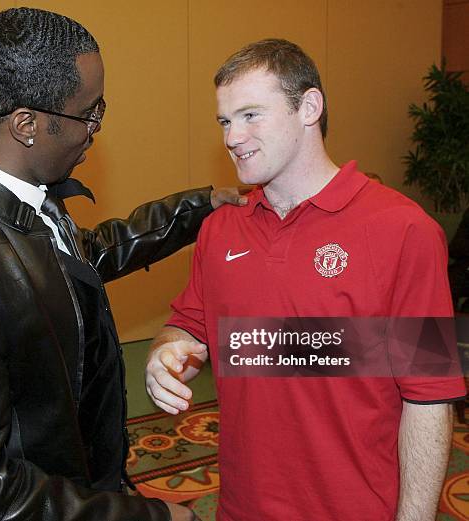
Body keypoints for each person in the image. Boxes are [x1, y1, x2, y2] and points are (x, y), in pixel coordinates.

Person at [0, 8, 246, 521]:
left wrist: (199, 206)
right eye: (89, 113)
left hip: (84, 484)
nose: (94, 130)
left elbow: (78, 258)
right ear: (27, 124)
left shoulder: (17, 198)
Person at [145, 39, 466, 521]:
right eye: (225, 121)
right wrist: (166, 354)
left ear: (309, 107)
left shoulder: (404, 230)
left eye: (251, 115)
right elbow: (191, 328)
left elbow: (428, 397)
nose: (233, 136)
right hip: (240, 507)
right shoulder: (220, 229)